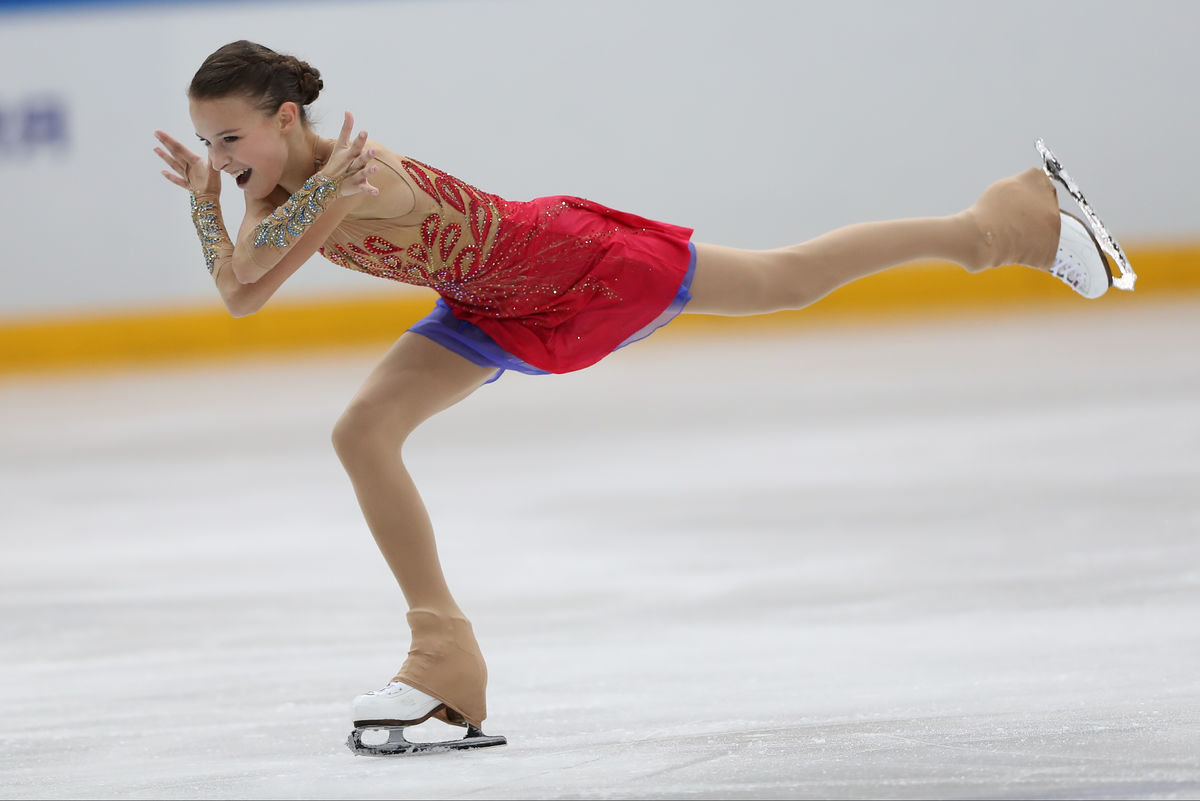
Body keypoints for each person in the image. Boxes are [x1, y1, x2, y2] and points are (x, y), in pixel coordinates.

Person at [153, 40, 1115, 754]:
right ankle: (444, 658)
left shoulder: (358, 181)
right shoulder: (270, 192)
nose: (222, 156)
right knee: (363, 430)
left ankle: (1000, 223)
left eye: (230, 137)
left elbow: (243, 290)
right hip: (487, 303)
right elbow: (241, 278)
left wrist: (218, 207)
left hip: (575, 265)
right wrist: (211, 195)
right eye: (207, 140)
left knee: (782, 279)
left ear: (286, 118)